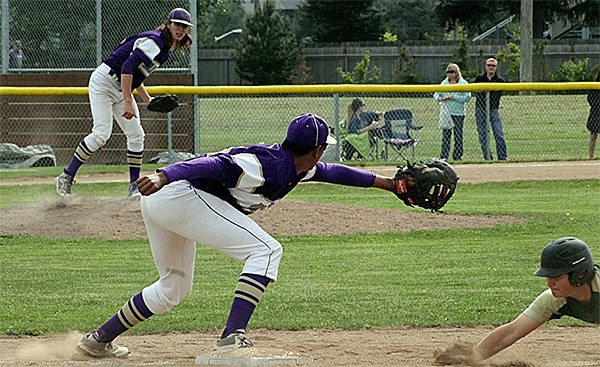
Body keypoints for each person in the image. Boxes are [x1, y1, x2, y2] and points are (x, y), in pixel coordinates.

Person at [75, 113, 428, 358]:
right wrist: (165, 174)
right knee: (267, 251)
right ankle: (232, 336)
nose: (323, 156)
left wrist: (387, 185)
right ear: (316, 149)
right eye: (323, 149)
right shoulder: (265, 165)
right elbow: (212, 164)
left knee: (174, 287)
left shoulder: (295, 165)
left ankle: (97, 340)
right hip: (179, 194)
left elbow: (333, 172)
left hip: (164, 202)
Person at [54, 8, 193, 199]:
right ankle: (66, 176)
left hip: (121, 85)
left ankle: (133, 187)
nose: (180, 29)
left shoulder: (163, 47)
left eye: (184, 27)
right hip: (104, 81)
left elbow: (136, 74)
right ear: (168, 24)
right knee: (101, 134)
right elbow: (127, 67)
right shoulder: (155, 42)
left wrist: (147, 99)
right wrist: (128, 100)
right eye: (177, 24)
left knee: (136, 135)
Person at [435, 237, 599, 365]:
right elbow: (512, 331)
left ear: (580, 273)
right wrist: (473, 356)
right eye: (548, 276)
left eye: (556, 276)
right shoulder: (554, 299)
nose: (549, 282)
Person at [433, 63, 471, 161]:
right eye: (448, 72)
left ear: (457, 72)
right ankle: (444, 156)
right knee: (446, 135)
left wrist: (454, 97)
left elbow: (467, 97)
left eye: (452, 72)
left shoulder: (463, 83)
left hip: (458, 113)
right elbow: (436, 94)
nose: (450, 74)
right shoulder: (444, 83)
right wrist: (440, 98)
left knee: (458, 135)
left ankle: (457, 156)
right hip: (447, 113)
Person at [473, 58, 508, 161]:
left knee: (498, 132)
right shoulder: (479, 79)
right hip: (481, 109)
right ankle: (488, 157)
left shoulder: (500, 81)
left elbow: (496, 96)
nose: (491, 67)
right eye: (489, 65)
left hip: (493, 109)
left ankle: (502, 157)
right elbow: (477, 94)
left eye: (493, 65)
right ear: (486, 66)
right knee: (483, 134)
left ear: (496, 67)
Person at [586, 69, 600, 159]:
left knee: (593, 136)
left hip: (595, 111)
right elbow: (590, 98)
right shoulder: (594, 86)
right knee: (593, 135)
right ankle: (590, 156)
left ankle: (591, 156)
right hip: (595, 112)